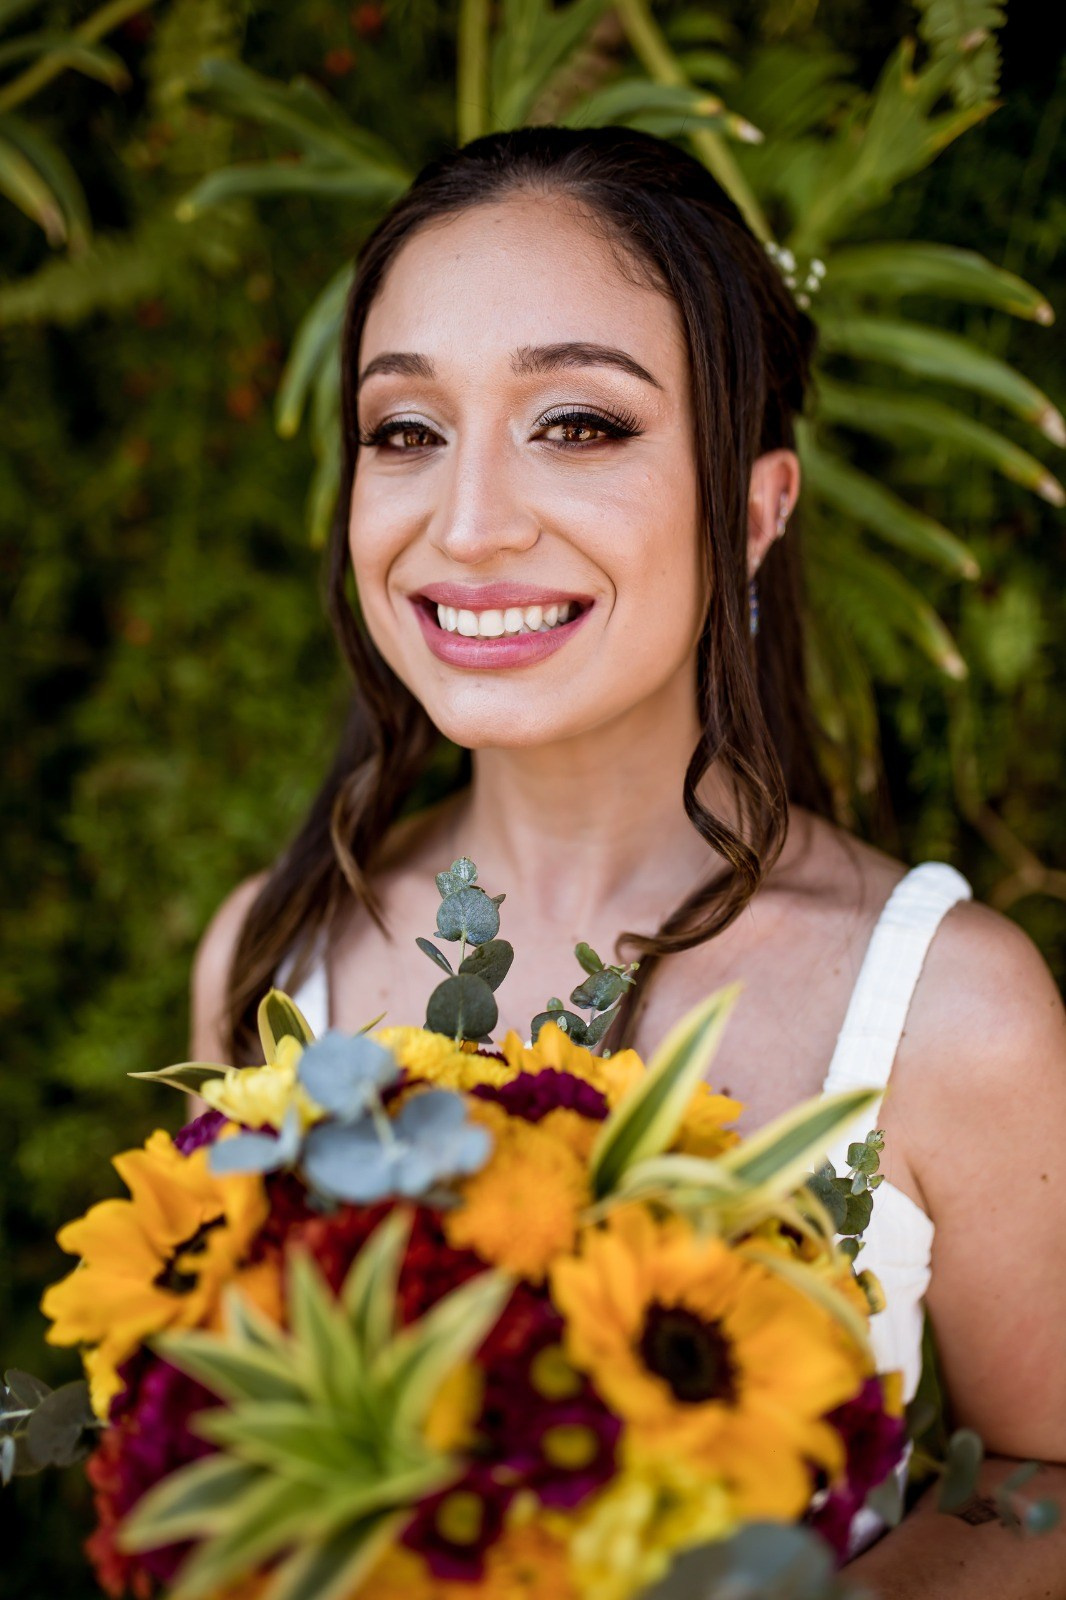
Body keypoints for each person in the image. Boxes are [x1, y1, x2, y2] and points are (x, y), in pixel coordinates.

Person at [189, 127, 1066, 1592]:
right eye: (405, 431)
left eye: (579, 423)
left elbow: (1047, 1474)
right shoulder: (275, 963)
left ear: (755, 509)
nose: (467, 525)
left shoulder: (949, 1015)